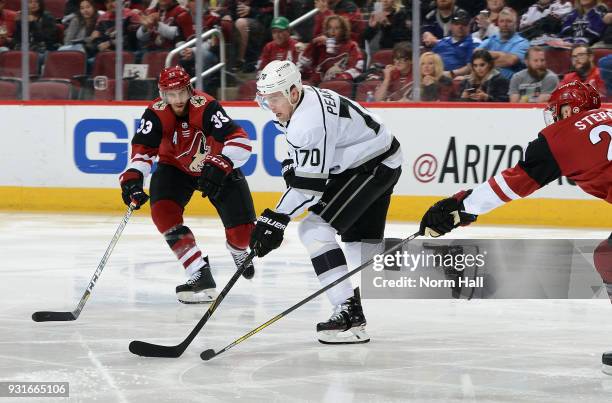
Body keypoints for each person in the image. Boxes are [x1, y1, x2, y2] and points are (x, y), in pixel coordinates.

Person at [418, 80, 611, 374]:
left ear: (572, 108)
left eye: (558, 111)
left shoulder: (560, 136)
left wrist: (459, 207)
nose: (556, 118)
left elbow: (512, 183)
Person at [251, 59, 403, 344]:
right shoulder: (298, 101)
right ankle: (354, 316)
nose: (270, 104)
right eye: (265, 97)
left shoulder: (308, 120)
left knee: (313, 230)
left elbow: (309, 189)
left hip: (371, 167)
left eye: (274, 97)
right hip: (372, 160)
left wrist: (274, 219)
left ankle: (348, 312)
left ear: (293, 92)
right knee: (363, 255)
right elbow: (298, 151)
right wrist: (290, 168)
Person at [119, 66, 256, 304]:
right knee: (162, 212)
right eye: (170, 94)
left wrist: (220, 163)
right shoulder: (155, 113)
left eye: (181, 92)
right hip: (175, 168)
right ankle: (198, 271)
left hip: (215, 168)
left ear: (189, 90)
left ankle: (237, 250)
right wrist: (132, 179)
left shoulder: (206, 106)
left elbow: (240, 140)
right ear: (162, 95)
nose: (177, 100)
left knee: (243, 236)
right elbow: (143, 151)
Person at [298, 14, 364, 85]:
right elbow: (303, 64)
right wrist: (313, 44)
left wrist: (337, 81)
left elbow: (357, 68)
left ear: (343, 30)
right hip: (317, 86)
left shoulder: (351, 46)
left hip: (339, 86)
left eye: (337, 28)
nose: (332, 31)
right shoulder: (320, 45)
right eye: (330, 28)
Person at [477, 7, 530, 80]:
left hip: (509, 85)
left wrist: (482, 61)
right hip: (487, 82)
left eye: (509, 21)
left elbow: (509, 61)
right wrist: (500, 55)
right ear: (498, 23)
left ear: (516, 24)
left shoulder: (523, 43)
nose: (505, 24)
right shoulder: (492, 39)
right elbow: (475, 55)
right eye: (502, 21)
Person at [424, 9, 475, 78]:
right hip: (435, 76)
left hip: (456, 79)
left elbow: (470, 67)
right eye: (457, 23)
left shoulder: (473, 42)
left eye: (464, 24)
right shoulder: (442, 41)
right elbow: (429, 59)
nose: (460, 27)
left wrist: (450, 74)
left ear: (469, 26)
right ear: (451, 26)